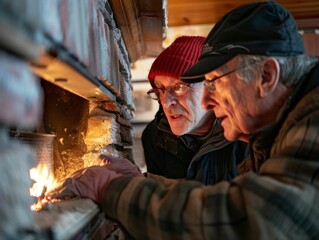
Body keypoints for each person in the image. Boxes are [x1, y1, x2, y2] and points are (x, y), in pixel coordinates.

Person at [47, 2, 319, 239]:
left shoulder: (312, 119)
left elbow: (248, 221)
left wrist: (108, 188)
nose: (207, 102)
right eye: (161, 91)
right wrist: (140, 182)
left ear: (267, 77)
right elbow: (223, 195)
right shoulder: (273, 132)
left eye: (214, 82)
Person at [142, 36, 247, 184]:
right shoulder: (154, 136)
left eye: (179, 87)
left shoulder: (245, 131)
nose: (166, 102)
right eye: (161, 90)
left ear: (212, 86)